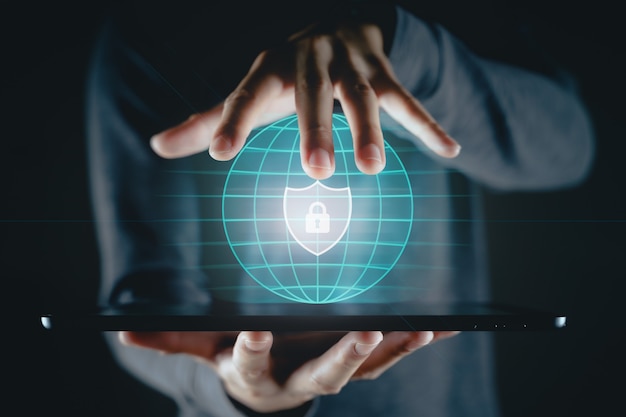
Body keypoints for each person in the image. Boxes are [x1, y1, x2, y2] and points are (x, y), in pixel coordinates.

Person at [86, 1, 594, 416]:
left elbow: (568, 149)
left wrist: (403, 51)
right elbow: (146, 313)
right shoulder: (151, 26)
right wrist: (234, 390)